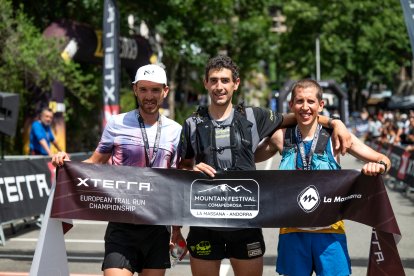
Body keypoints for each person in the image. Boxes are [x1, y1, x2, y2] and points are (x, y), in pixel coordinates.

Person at [177, 56, 352, 276]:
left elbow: (301, 116)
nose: (219, 86)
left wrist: (336, 122)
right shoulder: (192, 123)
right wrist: (190, 171)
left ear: (236, 83)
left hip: (246, 224)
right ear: (206, 83)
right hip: (204, 223)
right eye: (214, 80)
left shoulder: (254, 116)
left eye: (224, 80)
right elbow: (181, 169)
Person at [52, 64, 186, 276]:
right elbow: (96, 162)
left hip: (158, 227)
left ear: (165, 91)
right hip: (122, 223)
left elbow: (177, 182)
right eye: (143, 89)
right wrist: (67, 163)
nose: (149, 96)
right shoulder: (117, 123)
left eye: (155, 90)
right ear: (135, 89)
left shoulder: (176, 131)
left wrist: (177, 229)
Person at [254, 79, 391, 276]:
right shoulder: (280, 137)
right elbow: (245, 161)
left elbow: (383, 160)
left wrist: (377, 166)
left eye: (311, 101)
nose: (305, 107)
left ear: (321, 105)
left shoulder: (337, 138)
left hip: (330, 233)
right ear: (291, 105)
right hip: (292, 233)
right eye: (299, 101)